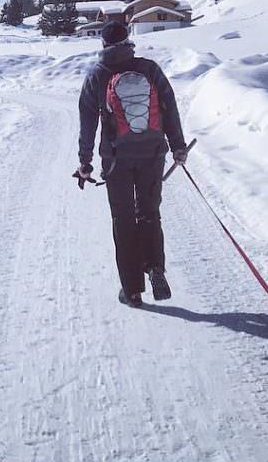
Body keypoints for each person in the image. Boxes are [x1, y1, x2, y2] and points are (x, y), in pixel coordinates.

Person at [78, 20, 187, 307]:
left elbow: (87, 123)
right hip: (152, 153)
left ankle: (132, 290)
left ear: (102, 43)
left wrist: (85, 162)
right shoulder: (149, 69)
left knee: (123, 219)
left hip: (116, 160)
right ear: (128, 40)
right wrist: (177, 145)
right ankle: (155, 267)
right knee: (149, 212)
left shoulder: (97, 76)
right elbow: (169, 107)